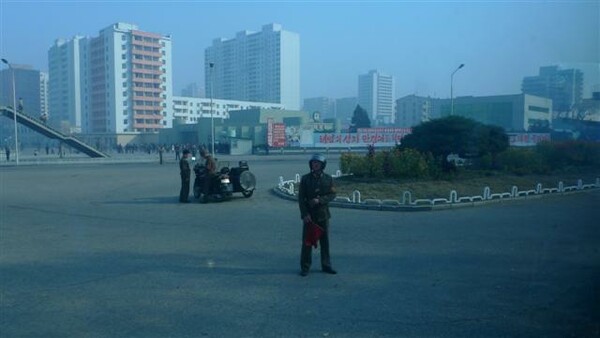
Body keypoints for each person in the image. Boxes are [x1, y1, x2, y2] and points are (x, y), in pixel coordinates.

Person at [298, 153, 337, 277]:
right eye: (313, 163)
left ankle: (326, 265)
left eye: (318, 163)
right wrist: (304, 214)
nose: (315, 165)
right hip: (310, 215)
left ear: (322, 165)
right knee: (307, 242)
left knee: (325, 242)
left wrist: (320, 200)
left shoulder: (328, 179)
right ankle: (305, 267)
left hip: (323, 215)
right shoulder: (305, 179)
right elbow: (301, 198)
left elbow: (332, 194)